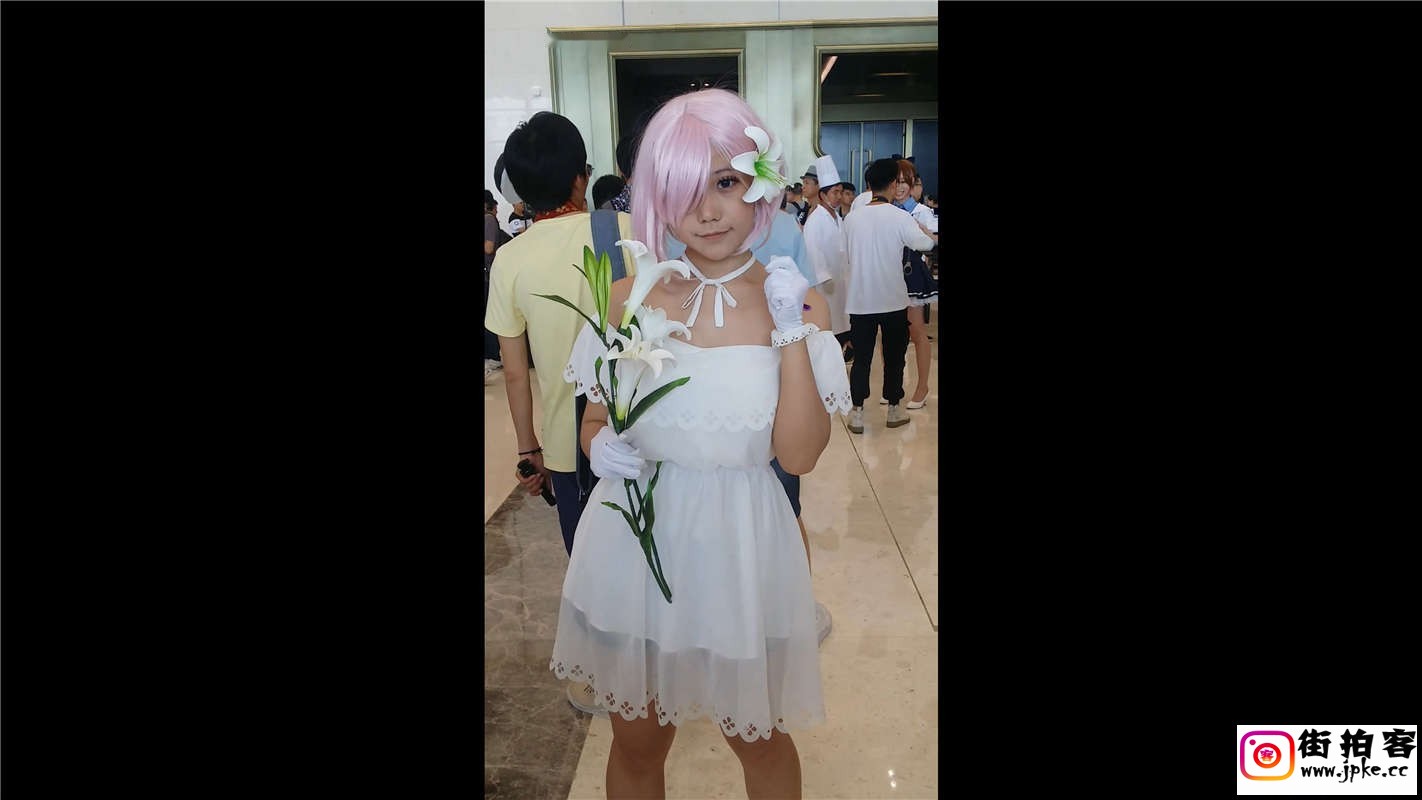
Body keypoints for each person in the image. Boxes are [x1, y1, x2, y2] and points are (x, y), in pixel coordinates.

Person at [551, 88, 850, 800]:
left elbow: (799, 457)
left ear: (761, 184)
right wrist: (598, 447)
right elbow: (593, 421)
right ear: (658, 198)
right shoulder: (625, 298)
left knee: (760, 737)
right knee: (636, 740)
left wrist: (789, 329)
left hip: (741, 546)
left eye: (726, 182)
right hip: (636, 542)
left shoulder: (797, 300)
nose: (708, 211)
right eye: (685, 190)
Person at [485, 112, 637, 715]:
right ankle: (656, 667)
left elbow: (514, 372)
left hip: (567, 440)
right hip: (640, 427)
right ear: (581, 177)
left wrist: (529, 451)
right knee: (649, 545)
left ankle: (603, 678)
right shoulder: (624, 230)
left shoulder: (511, 259)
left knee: (588, 558)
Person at [840, 158, 935, 434]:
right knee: (894, 357)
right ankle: (894, 409)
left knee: (862, 359)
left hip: (860, 300)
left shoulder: (852, 219)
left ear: (869, 185)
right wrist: (925, 232)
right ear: (893, 185)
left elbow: (844, 255)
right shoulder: (900, 217)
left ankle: (857, 413)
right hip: (892, 300)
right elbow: (924, 244)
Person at [891, 159, 938, 409]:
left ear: (912, 184)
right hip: (888, 274)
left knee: (916, 332)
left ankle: (922, 386)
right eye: (896, 182)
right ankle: (892, 386)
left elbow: (933, 242)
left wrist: (921, 230)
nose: (900, 187)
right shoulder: (886, 208)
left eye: (904, 182)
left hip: (911, 275)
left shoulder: (921, 211)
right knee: (890, 334)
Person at [801, 156, 852, 361]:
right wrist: (824, 276)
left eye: (840, 192)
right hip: (825, 286)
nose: (839, 196)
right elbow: (812, 251)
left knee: (841, 327)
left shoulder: (837, 218)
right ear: (823, 195)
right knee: (827, 331)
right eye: (835, 192)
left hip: (841, 284)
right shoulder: (815, 220)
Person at [484, 190, 510, 383]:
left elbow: (488, 247)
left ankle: (493, 356)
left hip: (489, 275)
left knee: (489, 315)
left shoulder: (488, 219)